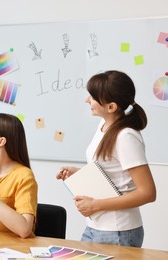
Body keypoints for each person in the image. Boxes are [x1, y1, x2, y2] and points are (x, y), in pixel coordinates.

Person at [56, 70, 156, 247]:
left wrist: (96, 205)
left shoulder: (126, 136)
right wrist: (79, 173)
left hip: (119, 231)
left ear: (111, 107)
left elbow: (147, 193)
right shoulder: (104, 125)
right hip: (96, 227)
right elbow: (113, 173)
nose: (87, 100)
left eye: (93, 97)